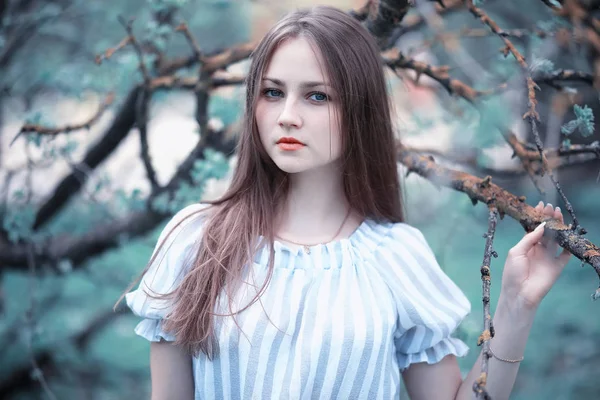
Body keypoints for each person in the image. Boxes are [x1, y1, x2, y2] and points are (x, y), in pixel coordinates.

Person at [120, 6, 571, 400]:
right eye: (273, 92)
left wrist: (515, 308)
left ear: (360, 111)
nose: (287, 115)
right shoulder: (198, 239)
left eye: (317, 95)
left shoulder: (395, 256)